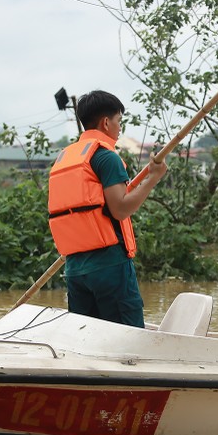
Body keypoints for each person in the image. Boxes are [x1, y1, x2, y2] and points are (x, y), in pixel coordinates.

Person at [47, 90, 168, 327]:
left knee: (86, 337)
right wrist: (153, 178)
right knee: (127, 336)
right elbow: (120, 209)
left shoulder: (65, 158)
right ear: (105, 122)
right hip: (109, 266)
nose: (120, 128)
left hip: (75, 269)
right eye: (119, 121)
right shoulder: (106, 157)